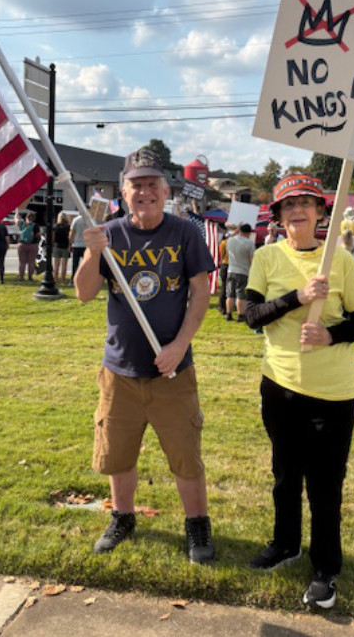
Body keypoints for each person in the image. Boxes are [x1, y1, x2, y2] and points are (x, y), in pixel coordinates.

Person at [74, 147, 216, 565]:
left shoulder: (184, 232)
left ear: (166, 189)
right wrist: (93, 251)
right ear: (124, 190)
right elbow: (83, 293)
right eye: (137, 184)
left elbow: (201, 292)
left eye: (153, 183)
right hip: (120, 369)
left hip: (172, 371)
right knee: (118, 453)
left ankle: (197, 526)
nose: (145, 191)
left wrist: (178, 347)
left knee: (185, 455)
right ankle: (123, 517)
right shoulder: (110, 233)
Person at [245, 173, 354, 610]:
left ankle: (325, 568)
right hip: (279, 387)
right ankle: (286, 544)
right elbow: (251, 315)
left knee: (324, 485)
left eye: (307, 202)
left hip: (333, 394)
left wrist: (331, 336)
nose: (298, 210)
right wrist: (296, 297)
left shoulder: (338, 260)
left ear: (323, 211)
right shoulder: (266, 256)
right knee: (284, 475)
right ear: (278, 215)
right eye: (288, 204)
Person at [225, 223, 255, 322]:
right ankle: (240, 315)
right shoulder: (249, 243)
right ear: (249, 232)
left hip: (231, 270)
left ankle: (228, 314)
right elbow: (252, 259)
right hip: (243, 271)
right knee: (240, 294)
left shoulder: (230, 240)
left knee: (230, 294)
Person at [15, 210, 40, 282]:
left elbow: (16, 219)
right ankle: (30, 277)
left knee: (22, 262)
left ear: (26, 217)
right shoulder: (35, 225)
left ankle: (21, 277)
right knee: (31, 262)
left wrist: (17, 212)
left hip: (22, 245)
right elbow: (38, 235)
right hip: (33, 245)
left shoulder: (22, 223)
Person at [70, 209, 88, 284]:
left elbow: (72, 233)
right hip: (86, 245)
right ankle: (84, 280)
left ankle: (73, 280)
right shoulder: (90, 220)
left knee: (75, 264)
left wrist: (70, 243)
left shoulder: (76, 220)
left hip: (77, 244)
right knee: (85, 264)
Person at [52, 211, 71, 284]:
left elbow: (53, 238)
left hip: (57, 246)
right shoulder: (68, 227)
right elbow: (69, 237)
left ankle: (55, 279)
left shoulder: (55, 226)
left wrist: (53, 244)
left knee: (56, 265)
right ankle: (63, 279)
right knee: (64, 265)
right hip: (65, 246)